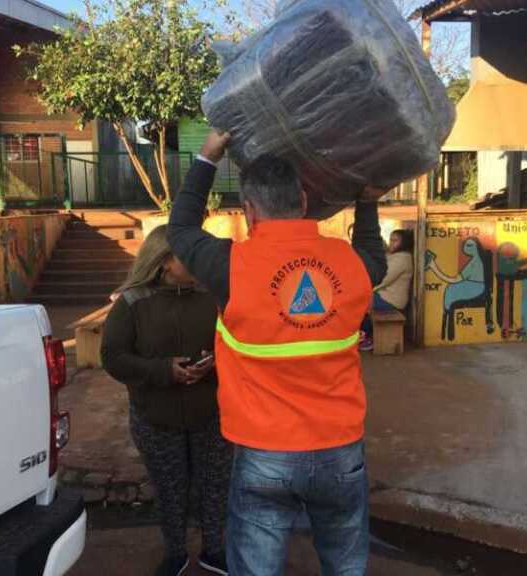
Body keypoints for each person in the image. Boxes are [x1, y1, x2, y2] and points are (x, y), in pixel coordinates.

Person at [167, 131, 387, 576]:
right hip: (339, 450)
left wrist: (208, 157)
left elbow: (181, 231)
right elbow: (374, 258)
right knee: (346, 567)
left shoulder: (230, 265)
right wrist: (366, 203)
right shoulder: (349, 263)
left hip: (264, 454)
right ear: (303, 203)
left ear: (249, 210)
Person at [101, 224, 232, 576]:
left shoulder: (215, 296)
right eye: (189, 253)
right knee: (171, 491)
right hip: (155, 419)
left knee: (215, 488)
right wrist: (163, 370)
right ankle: (175, 554)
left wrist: (216, 362)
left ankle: (215, 551)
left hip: (212, 415)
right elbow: (113, 357)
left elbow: (238, 342)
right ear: (163, 261)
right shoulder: (131, 302)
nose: (199, 260)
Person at [359, 229, 414, 351]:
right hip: (383, 296)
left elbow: (383, 279)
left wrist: (364, 290)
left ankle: (365, 337)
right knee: (359, 301)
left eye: (395, 240)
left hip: (391, 300)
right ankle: (364, 335)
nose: (391, 243)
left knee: (358, 303)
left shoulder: (402, 258)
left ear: (404, 242)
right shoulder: (395, 256)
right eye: (391, 240)